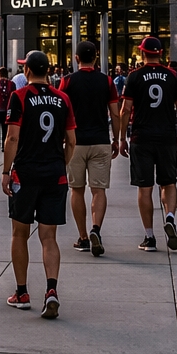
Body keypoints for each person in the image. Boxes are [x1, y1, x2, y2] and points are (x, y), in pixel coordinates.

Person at [1, 51, 75, 319]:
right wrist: (62, 163)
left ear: (28, 72)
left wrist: (6, 171)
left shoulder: (20, 97)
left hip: (25, 175)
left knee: (20, 233)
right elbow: (72, 141)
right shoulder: (62, 98)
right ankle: (51, 290)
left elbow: (12, 138)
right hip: (55, 175)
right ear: (49, 71)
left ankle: (22, 292)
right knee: (49, 237)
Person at [119, 36, 177, 252]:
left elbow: (126, 109)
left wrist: (122, 137)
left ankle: (149, 237)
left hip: (142, 136)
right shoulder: (173, 76)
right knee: (169, 182)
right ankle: (169, 217)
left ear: (142, 53)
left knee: (145, 187)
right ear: (161, 53)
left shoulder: (134, 77)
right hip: (166, 136)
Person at [59, 42, 120, 255]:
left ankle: (83, 236)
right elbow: (115, 113)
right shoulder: (107, 81)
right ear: (96, 57)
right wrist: (117, 139)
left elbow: (60, 111)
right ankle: (96, 229)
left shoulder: (67, 81)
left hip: (75, 142)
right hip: (100, 140)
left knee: (76, 189)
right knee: (99, 189)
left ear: (76, 58)